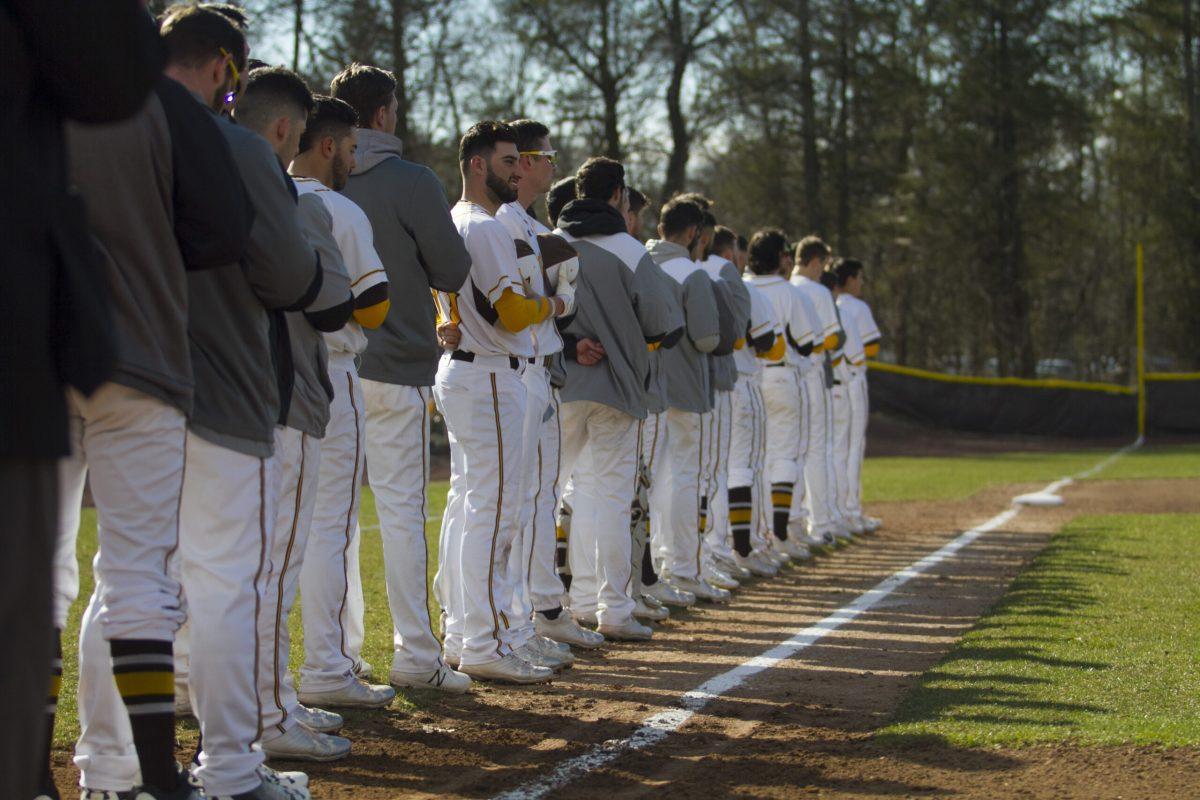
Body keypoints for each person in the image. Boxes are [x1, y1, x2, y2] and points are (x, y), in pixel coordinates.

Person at [36, 10, 228, 800]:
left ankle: (27, 772)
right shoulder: (168, 105)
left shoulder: (28, 95)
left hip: (34, 359)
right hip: (141, 350)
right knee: (137, 573)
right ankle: (157, 780)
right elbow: (220, 232)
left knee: (34, 576)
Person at [161, 6, 325, 797]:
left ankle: (117, 768)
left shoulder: (100, 133)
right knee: (228, 581)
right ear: (226, 67)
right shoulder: (237, 147)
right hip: (222, 381)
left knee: (128, 579)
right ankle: (229, 766)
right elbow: (291, 277)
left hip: (118, 384)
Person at [330, 64, 475, 694]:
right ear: (384, 114)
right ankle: (416, 655)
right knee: (400, 513)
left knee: (328, 521)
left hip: (331, 369)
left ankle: (335, 661)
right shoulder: (412, 180)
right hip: (399, 366)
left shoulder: (304, 181)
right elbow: (452, 267)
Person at [234, 67, 360, 763]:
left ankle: (254, 703)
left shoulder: (195, 168)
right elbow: (332, 306)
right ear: (288, 129)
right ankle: (268, 712)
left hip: (224, 391)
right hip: (283, 391)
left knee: (220, 569)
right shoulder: (293, 202)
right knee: (270, 567)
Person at [434, 121, 564, 683]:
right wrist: (551, 306)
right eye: (509, 160)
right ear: (478, 165)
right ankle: (487, 641)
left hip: (468, 372)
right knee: (496, 511)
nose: (519, 169)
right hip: (490, 375)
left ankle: (469, 633)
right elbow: (512, 313)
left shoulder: (453, 218)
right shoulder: (485, 227)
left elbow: (448, 311)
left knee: (471, 507)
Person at [285, 96, 397, 715]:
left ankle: (208, 675)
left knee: (264, 535)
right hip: (330, 370)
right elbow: (374, 306)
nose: (355, 159)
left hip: (265, 372)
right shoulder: (340, 209)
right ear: (327, 145)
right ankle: (328, 665)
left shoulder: (263, 192)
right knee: (330, 527)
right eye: (352, 148)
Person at [553, 157, 682, 641]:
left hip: (559, 383)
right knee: (608, 498)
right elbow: (660, 324)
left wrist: (571, 342)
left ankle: (565, 602)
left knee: (550, 497)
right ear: (618, 196)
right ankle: (613, 608)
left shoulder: (553, 242)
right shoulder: (630, 249)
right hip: (619, 388)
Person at [494, 119, 594, 658]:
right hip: (512, 368)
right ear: (525, 162)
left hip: (536, 366)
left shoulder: (527, 223)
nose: (552, 165)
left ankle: (537, 610)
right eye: (544, 156)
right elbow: (530, 303)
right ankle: (524, 616)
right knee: (512, 500)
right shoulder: (506, 220)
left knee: (530, 497)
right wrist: (559, 302)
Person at [645, 198, 726, 603]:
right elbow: (708, 338)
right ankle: (684, 568)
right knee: (684, 477)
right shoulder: (691, 273)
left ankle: (656, 564)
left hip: (644, 385)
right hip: (685, 386)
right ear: (694, 233)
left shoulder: (641, 260)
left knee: (651, 478)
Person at [744, 229, 815, 561]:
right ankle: (782, 533)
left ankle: (754, 535)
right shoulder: (789, 292)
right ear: (782, 258)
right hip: (783, 377)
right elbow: (807, 342)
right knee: (783, 456)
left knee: (750, 462)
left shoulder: (741, 284)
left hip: (748, 378)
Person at [694, 222, 752, 589]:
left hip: (678, 379)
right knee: (710, 470)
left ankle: (691, 554)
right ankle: (708, 550)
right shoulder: (722, 270)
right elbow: (739, 330)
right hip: (714, 377)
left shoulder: (684, 264)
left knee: (682, 474)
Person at [790, 236, 847, 544]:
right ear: (814, 261)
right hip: (811, 373)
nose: (823, 269)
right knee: (816, 450)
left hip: (777, 376)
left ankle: (790, 521)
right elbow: (834, 338)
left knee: (785, 453)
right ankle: (822, 523)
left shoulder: (785, 286)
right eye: (822, 263)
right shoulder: (818, 291)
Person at [834, 258, 883, 533]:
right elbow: (871, 348)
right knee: (852, 447)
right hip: (851, 381)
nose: (861, 283)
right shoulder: (856, 307)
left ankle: (837, 508)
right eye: (859, 277)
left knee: (831, 449)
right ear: (850, 279)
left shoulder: (831, 304)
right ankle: (851, 510)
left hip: (827, 383)